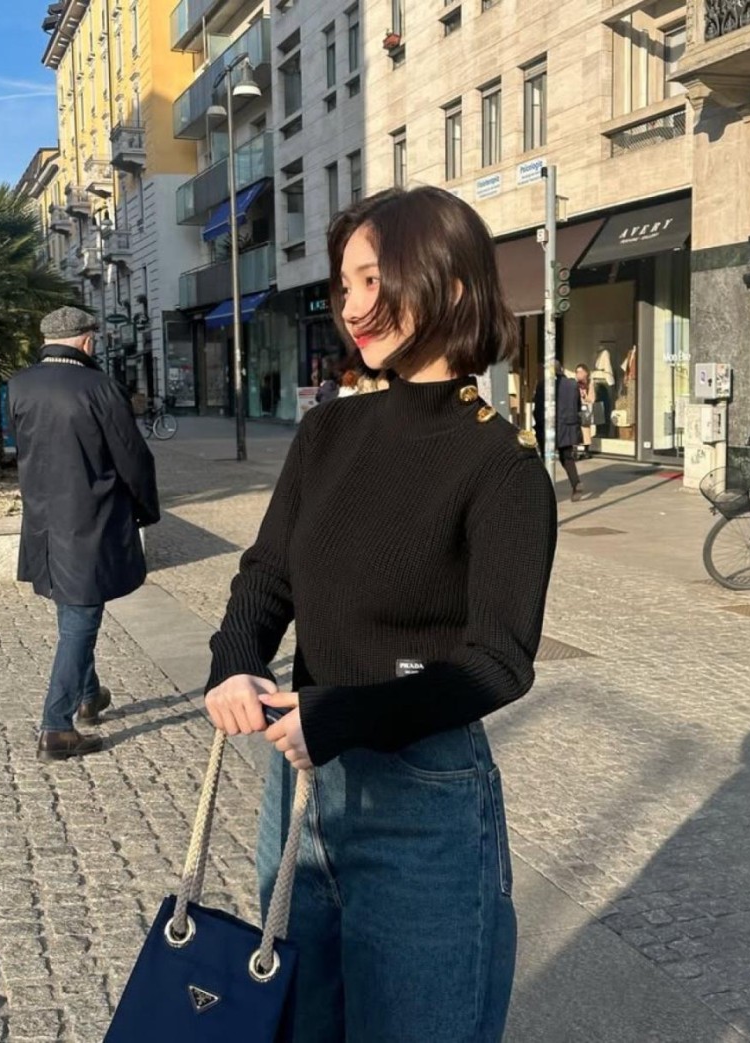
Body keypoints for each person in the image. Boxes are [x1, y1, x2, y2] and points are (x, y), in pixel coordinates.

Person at [204, 186, 557, 1042]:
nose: (353, 305)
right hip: (299, 790)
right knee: (297, 1022)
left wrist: (342, 715)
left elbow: (498, 660)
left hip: (421, 803)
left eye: (374, 280)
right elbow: (267, 574)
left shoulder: (501, 465)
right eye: (344, 284)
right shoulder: (327, 432)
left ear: (452, 285)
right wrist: (234, 661)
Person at [8, 306, 160, 762]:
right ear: (87, 340)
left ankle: (89, 696)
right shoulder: (99, 386)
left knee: (72, 606)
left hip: (43, 521)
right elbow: (133, 457)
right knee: (80, 618)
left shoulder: (19, 385)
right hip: (90, 520)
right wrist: (145, 510)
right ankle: (57, 727)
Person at [534, 361, 584, 501]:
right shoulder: (572, 384)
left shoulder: (543, 385)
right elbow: (578, 406)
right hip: (567, 427)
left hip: (549, 427)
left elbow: (538, 409)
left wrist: (538, 425)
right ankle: (576, 483)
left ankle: (545, 491)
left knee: (546, 458)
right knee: (567, 457)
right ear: (561, 369)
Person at [576, 362, 595, 459]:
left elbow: (592, 399)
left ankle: (586, 450)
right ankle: (576, 450)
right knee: (576, 430)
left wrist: (584, 397)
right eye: (577, 372)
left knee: (585, 430)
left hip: (585, 409)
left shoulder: (589, 384)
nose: (578, 374)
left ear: (586, 373)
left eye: (581, 372)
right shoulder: (574, 383)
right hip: (575, 408)